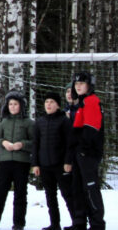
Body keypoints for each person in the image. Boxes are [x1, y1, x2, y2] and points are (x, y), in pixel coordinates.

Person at [0, 91, 34, 230]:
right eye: (10, 104)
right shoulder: (4, 122)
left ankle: (18, 223)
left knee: (20, 194)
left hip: (22, 162)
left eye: (15, 104)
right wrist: (3, 143)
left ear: (21, 106)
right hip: (5, 162)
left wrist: (22, 145)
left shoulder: (29, 123)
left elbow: (34, 142)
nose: (12, 106)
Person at [64, 72, 105, 230]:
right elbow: (76, 132)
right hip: (80, 153)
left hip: (88, 153)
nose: (78, 86)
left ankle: (97, 224)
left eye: (82, 83)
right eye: (76, 84)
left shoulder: (92, 101)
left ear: (89, 85)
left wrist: (83, 149)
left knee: (90, 188)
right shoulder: (82, 103)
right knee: (78, 188)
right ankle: (80, 221)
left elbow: (91, 129)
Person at [31, 92, 74, 230]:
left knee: (68, 195)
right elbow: (35, 144)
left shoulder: (64, 120)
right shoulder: (40, 121)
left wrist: (68, 161)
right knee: (50, 196)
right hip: (45, 165)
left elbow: (70, 143)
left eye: (52, 102)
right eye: (46, 102)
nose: (48, 104)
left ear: (58, 105)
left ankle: (77, 222)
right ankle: (55, 224)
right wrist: (35, 164)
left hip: (61, 165)